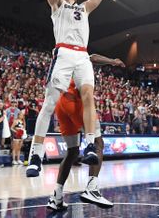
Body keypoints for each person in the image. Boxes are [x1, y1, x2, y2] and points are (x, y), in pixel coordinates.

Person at [20, 0, 109, 177]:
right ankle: (35, 155)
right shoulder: (58, 6)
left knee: (89, 95)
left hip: (82, 56)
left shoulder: (84, 8)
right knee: (48, 103)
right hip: (63, 53)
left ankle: (90, 143)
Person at [47, 54, 124, 211]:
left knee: (72, 152)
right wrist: (112, 60)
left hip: (61, 103)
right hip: (76, 102)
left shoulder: (63, 57)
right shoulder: (77, 52)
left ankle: (57, 196)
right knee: (98, 143)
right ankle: (92, 188)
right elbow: (93, 56)